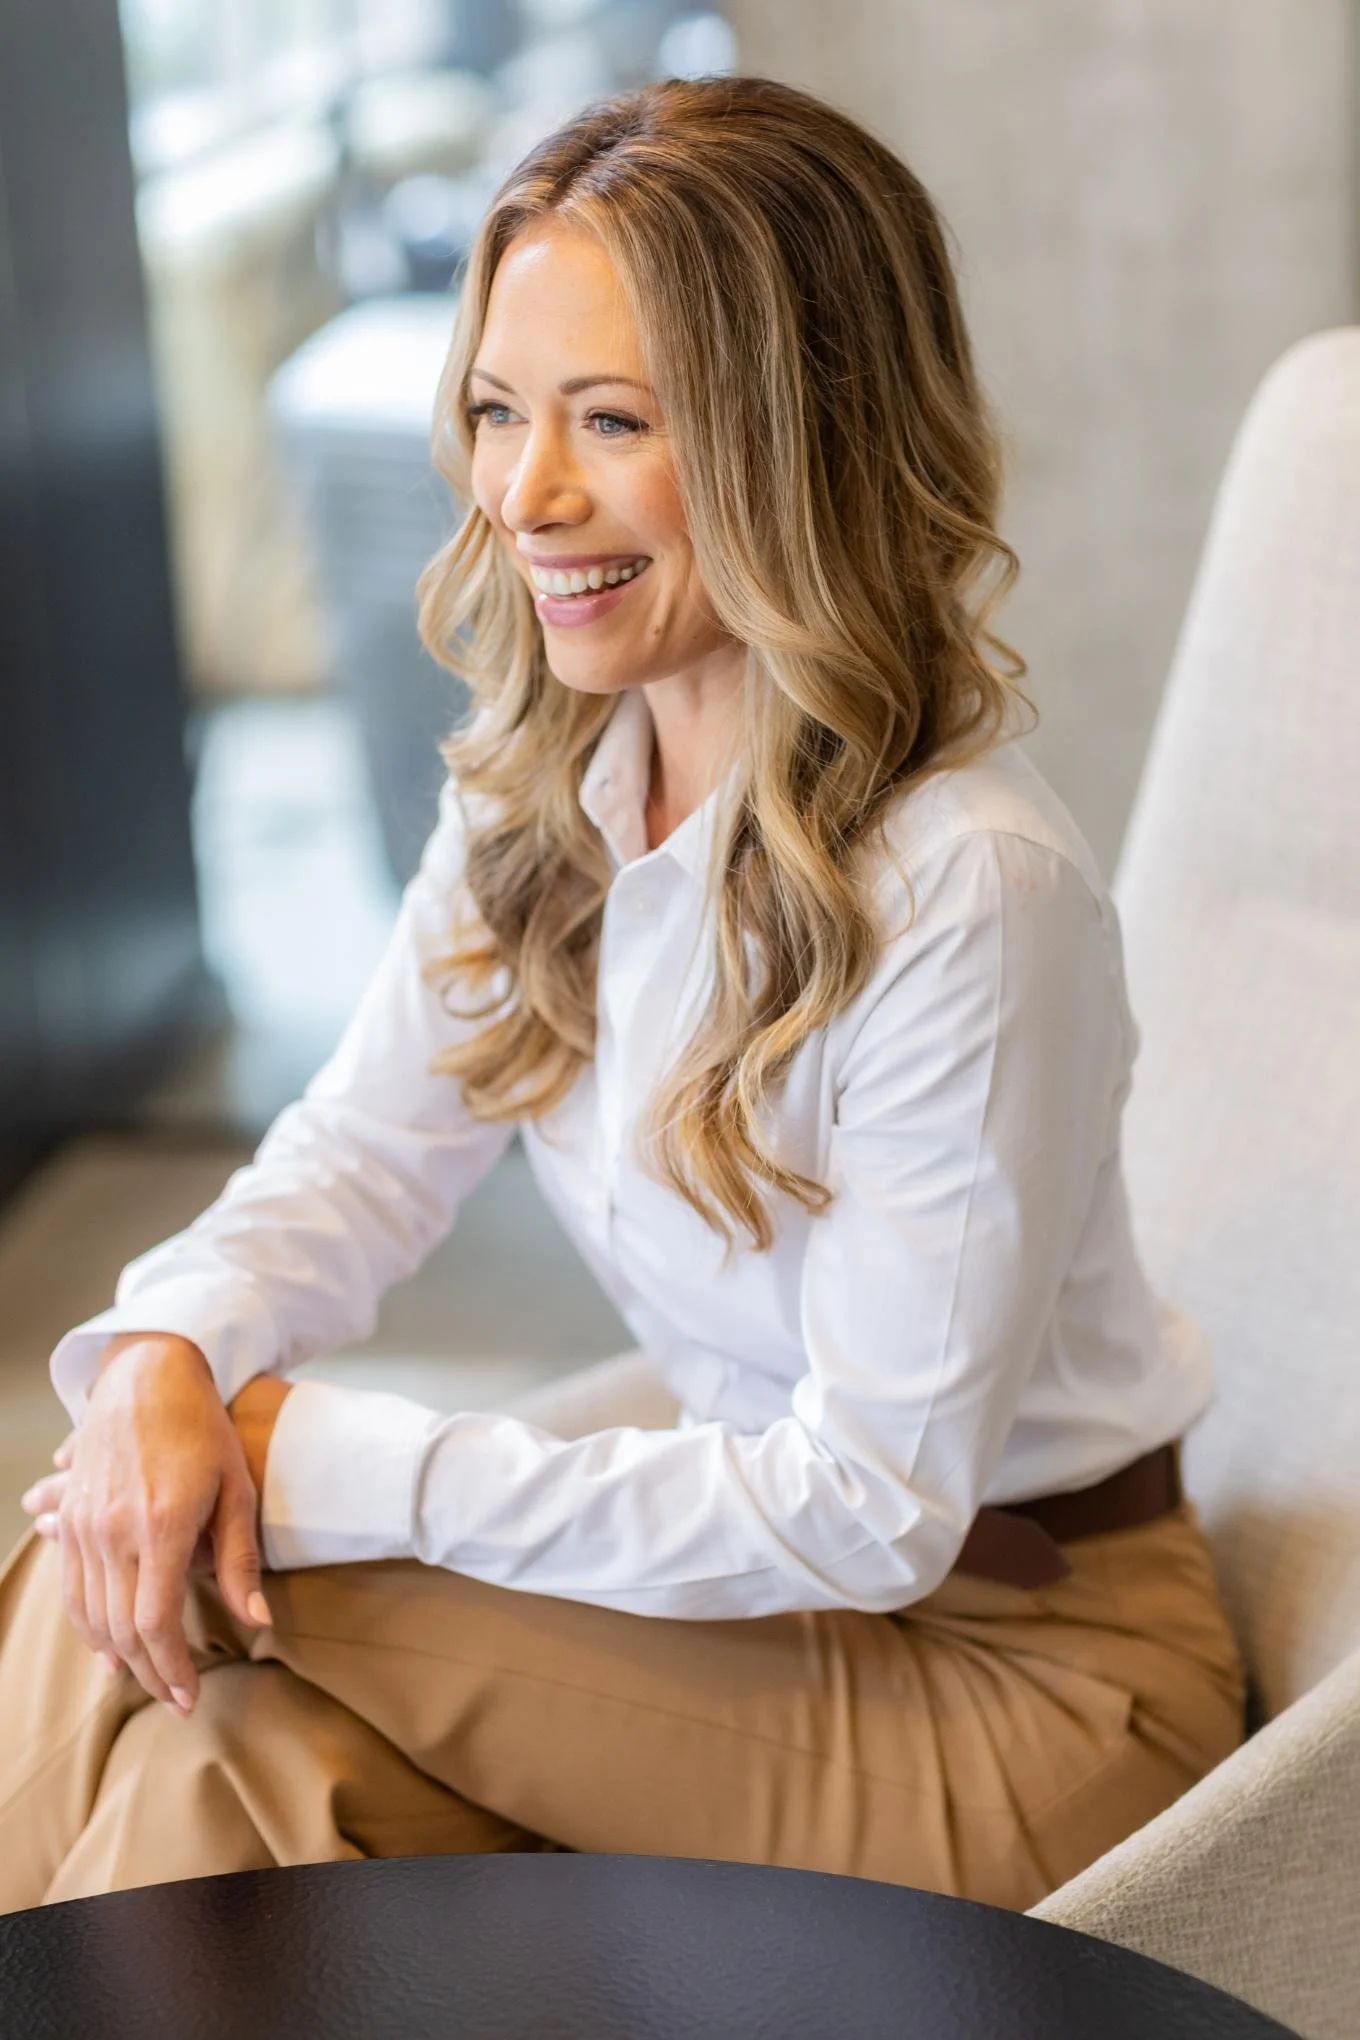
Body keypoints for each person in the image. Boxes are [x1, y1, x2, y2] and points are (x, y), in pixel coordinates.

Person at [0, 75, 1244, 1915]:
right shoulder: (547, 788)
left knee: (212, 1537)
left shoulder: (970, 887)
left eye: (611, 419)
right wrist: (175, 1353)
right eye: (500, 410)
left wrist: (316, 1451)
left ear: (791, 440)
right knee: (218, 1760)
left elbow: (868, 1506)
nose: (524, 491)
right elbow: (353, 1161)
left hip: (1028, 1678)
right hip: (749, 1626)